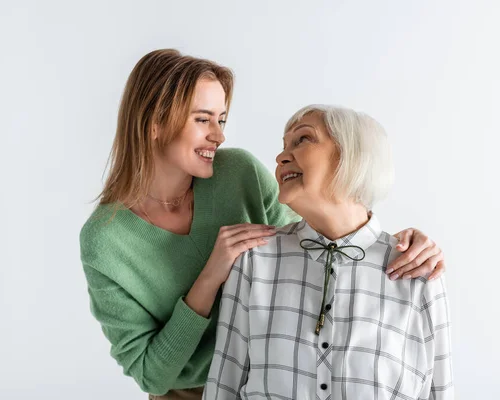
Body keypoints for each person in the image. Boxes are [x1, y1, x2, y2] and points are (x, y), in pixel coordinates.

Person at [79, 49, 446, 399]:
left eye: (221, 120)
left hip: (273, 381)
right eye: (203, 119)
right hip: (188, 392)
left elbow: (317, 236)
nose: (219, 135)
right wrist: (210, 277)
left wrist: (395, 242)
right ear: (155, 122)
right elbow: (151, 374)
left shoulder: (238, 173)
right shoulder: (105, 240)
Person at [203, 105, 453, 400]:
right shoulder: (254, 260)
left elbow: (438, 391)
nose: (281, 157)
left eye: (303, 139)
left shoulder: (417, 270)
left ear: (353, 155)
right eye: (283, 146)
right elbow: (224, 385)